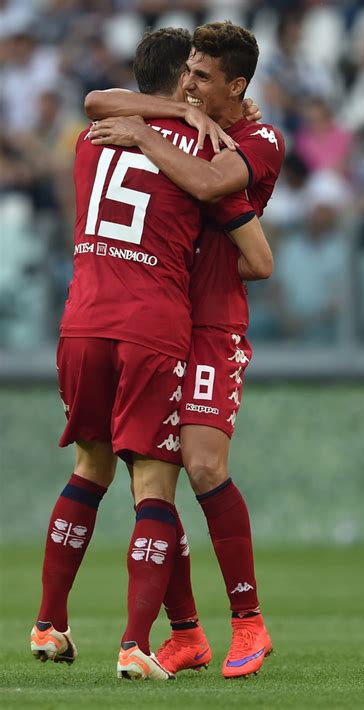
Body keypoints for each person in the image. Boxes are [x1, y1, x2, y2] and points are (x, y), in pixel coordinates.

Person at [30, 27, 273, 682]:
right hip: (151, 326)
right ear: (178, 84)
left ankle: (51, 623)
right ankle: (140, 641)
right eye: (189, 76)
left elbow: (96, 102)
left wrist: (145, 121)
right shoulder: (197, 150)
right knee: (156, 483)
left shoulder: (94, 138)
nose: (195, 86)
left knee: (89, 466)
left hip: (81, 319)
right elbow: (259, 257)